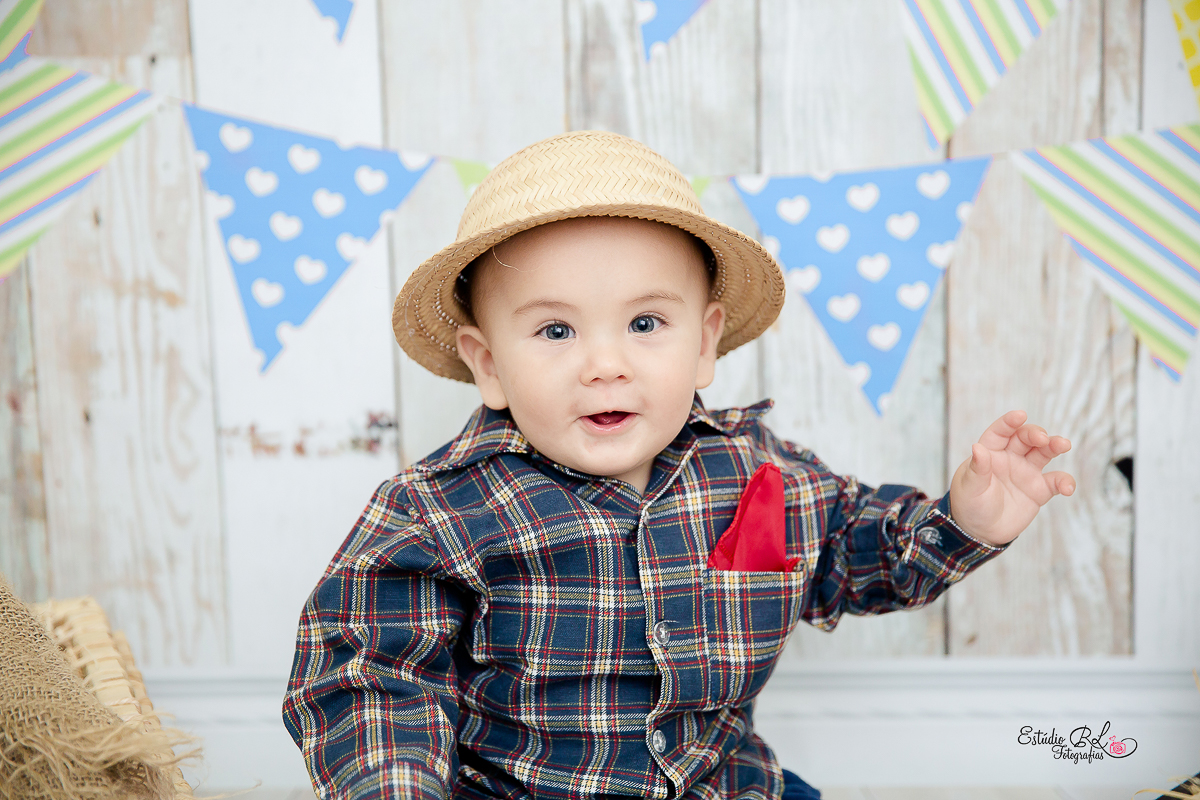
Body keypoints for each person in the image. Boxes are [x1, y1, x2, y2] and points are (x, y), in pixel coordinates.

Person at [281, 130, 1075, 800]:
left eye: (646, 322)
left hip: (726, 785)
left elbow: (853, 553)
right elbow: (369, 674)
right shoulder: (441, 509)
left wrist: (962, 519)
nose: (604, 364)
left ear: (704, 343)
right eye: (555, 332)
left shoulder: (759, 471)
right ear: (488, 364)